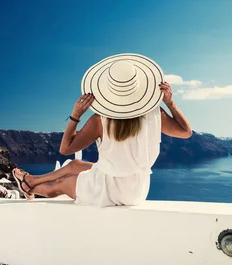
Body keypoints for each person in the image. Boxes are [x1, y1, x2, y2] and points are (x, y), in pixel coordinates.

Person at [12, 53, 192, 207]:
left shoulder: (100, 120)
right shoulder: (154, 113)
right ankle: (32, 180)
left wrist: (76, 115)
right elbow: (185, 132)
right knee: (75, 165)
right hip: (137, 188)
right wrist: (170, 104)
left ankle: (30, 187)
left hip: (110, 190)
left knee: (61, 184)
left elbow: (65, 149)